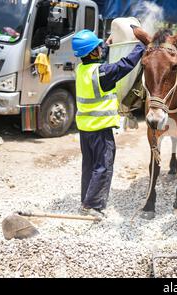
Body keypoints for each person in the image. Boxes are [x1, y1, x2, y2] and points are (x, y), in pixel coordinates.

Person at [71, 29, 145, 218]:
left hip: (85, 129)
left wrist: (105, 42)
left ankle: (86, 201)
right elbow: (126, 64)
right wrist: (142, 45)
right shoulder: (102, 73)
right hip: (101, 129)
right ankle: (94, 207)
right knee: (103, 167)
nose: (101, 49)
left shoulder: (81, 69)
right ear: (92, 52)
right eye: (97, 48)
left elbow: (96, 56)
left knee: (89, 166)